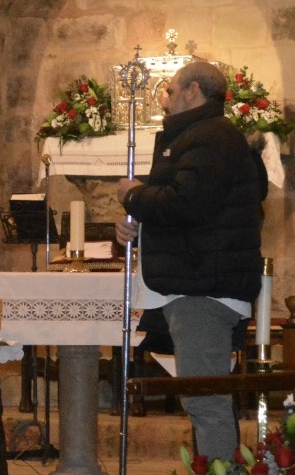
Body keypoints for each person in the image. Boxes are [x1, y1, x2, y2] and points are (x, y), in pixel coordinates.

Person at [115, 61, 266, 461]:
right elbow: (193, 205)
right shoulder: (201, 136)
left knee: (206, 402)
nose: (164, 100)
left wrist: (133, 196)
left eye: (169, 91)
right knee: (202, 399)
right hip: (197, 283)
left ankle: (220, 470)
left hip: (203, 289)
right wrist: (136, 226)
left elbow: (187, 203)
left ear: (192, 90)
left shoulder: (209, 137)